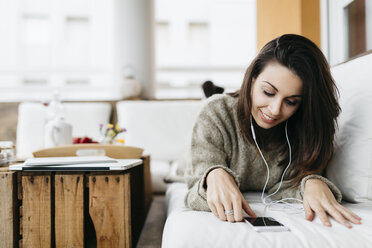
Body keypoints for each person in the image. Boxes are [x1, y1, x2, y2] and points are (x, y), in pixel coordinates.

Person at [184, 34, 362, 228]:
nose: (275, 110)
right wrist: (213, 174)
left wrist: (311, 183)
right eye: (268, 92)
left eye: (291, 101)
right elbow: (194, 193)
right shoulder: (216, 113)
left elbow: (285, 187)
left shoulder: (304, 128)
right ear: (252, 80)